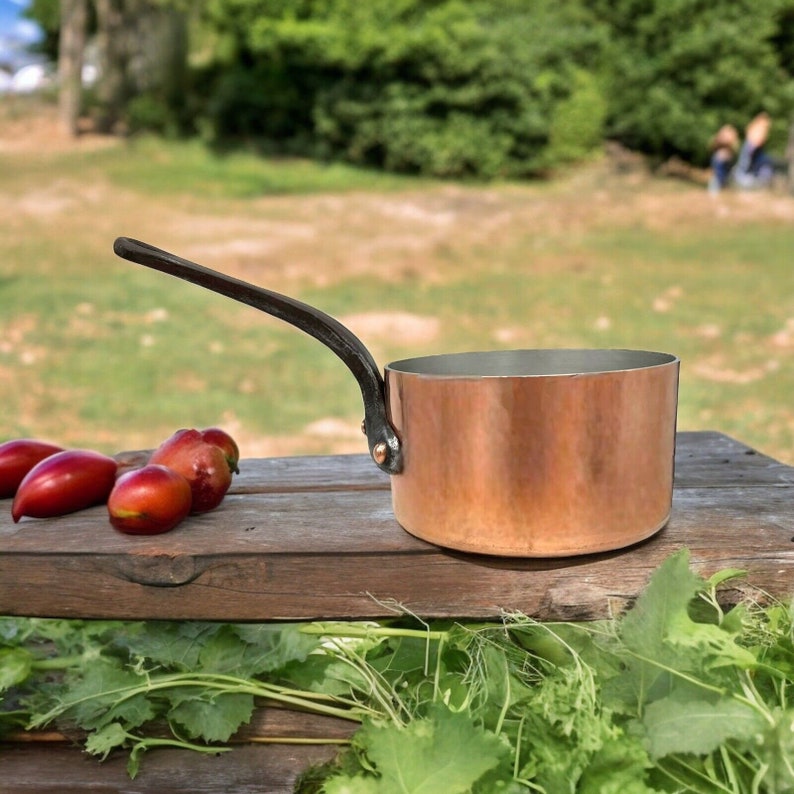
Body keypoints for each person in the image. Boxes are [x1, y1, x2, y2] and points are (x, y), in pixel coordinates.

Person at [733, 112, 775, 189]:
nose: (766, 134)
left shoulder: (750, 142)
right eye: (766, 128)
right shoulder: (754, 140)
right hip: (746, 176)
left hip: (746, 174)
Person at [708, 124, 739, 193]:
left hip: (721, 181)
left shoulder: (729, 153)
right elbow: (719, 172)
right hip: (718, 183)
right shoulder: (721, 154)